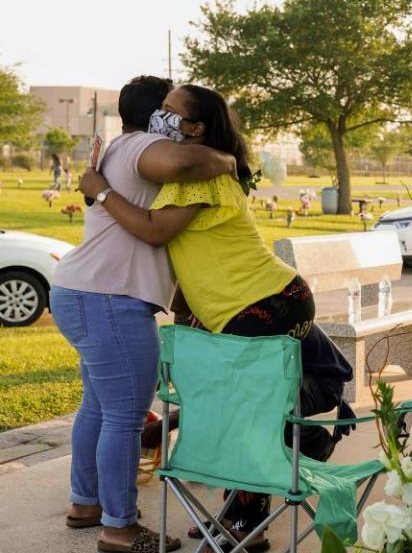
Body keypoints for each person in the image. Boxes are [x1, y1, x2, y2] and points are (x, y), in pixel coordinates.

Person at [79, 84, 354, 553]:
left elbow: (153, 231)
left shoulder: (199, 177)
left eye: (170, 111)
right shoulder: (189, 173)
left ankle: (246, 524)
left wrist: (100, 190)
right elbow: (192, 257)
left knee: (244, 411)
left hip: (266, 301)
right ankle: (292, 453)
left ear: (197, 128)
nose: (159, 116)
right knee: (246, 406)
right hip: (247, 304)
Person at [51, 75, 238, 553]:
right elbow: (188, 160)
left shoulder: (119, 147)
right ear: (159, 114)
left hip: (82, 292)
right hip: (110, 299)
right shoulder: (146, 148)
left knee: (98, 406)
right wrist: (228, 157)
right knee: (125, 417)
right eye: (170, 108)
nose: (173, 117)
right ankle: (120, 527)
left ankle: (86, 503)